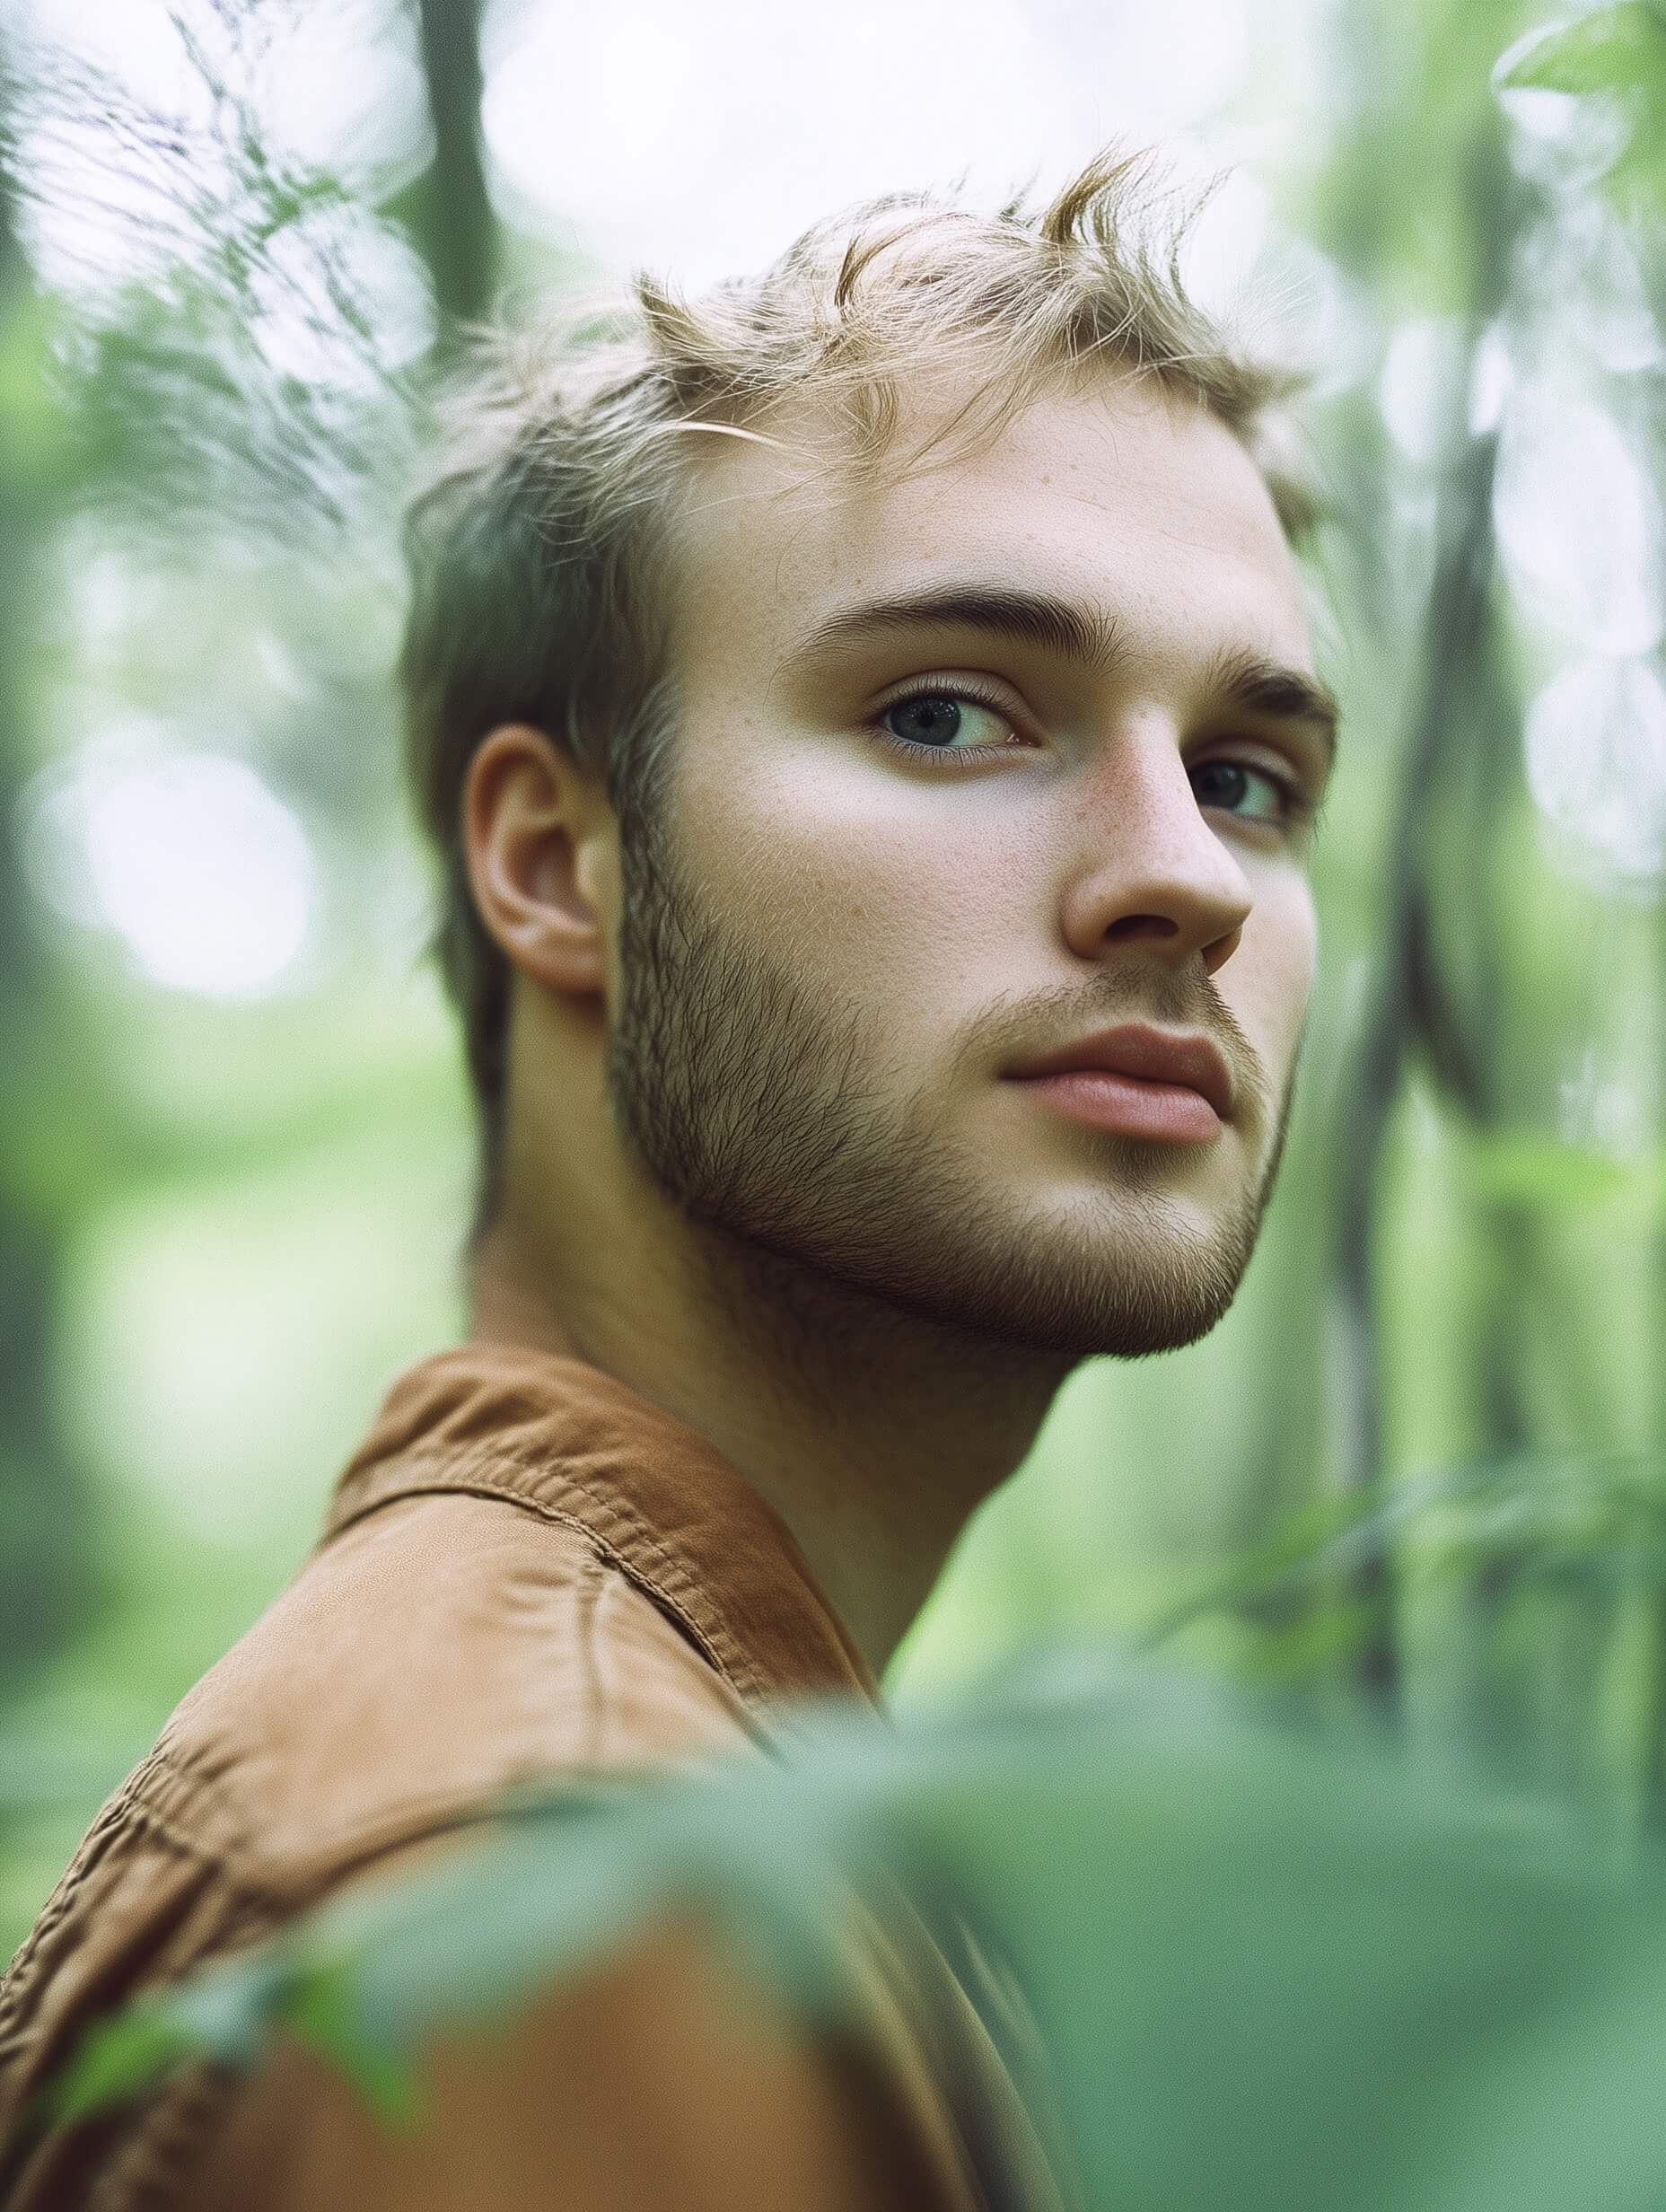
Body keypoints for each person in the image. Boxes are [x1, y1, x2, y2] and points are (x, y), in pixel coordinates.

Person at [0, 146, 1337, 2208]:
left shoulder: (723, 1788)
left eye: (1247, 774)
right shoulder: (546, 1901)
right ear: (558, 862)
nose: (1182, 871)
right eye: (952, 709)